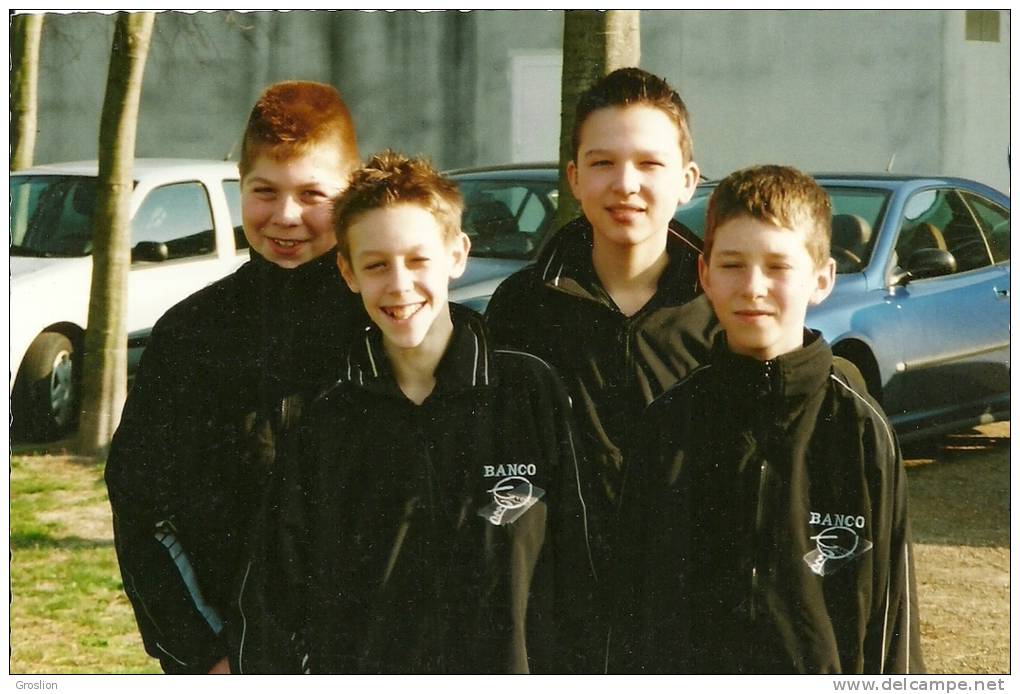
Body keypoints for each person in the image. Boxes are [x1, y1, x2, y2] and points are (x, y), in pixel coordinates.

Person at [233, 152, 597, 674]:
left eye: (418, 259)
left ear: (456, 255)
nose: (399, 285)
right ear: (348, 271)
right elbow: (275, 593)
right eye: (377, 264)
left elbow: (578, 567)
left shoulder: (528, 391)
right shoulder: (325, 416)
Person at [616, 165, 925, 673]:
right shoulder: (668, 424)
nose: (753, 287)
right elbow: (630, 608)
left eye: (778, 266)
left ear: (822, 279)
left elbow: (893, 618)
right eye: (732, 265)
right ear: (705, 275)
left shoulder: (859, 428)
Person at [104, 81, 364, 674]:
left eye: (312, 194)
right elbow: (140, 502)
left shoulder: (385, 324)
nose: (286, 216)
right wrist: (203, 653)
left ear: (351, 192)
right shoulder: (189, 333)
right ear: (238, 185)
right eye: (264, 192)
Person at [484, 67, 717, 628]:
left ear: (687, 180)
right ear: (574, 178)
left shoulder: (724, 308)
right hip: (558, 623)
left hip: (690, 619)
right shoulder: (522, 307)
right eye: (603, 162)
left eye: (649, 163)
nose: (626, 184)